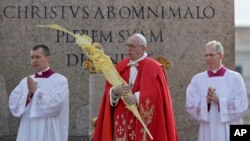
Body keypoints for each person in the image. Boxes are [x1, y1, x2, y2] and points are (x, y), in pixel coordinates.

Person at [93, 34, 178, 141]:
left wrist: (137, 98)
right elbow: (108, 91)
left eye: (132, 46)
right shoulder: (120, 66)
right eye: (128, 46)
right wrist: (114, 92)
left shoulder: (154, 68)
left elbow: (160, 95)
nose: (129, 49)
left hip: (143, 121)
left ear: (143, 48)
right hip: (121, 120)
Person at [186, 40, 248, 141]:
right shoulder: (197, 80)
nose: (208, 58)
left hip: (229, 129)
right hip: (207, 130)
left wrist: (219, 101)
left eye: (211, 55)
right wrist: (207, 102)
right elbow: (190, 105)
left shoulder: (235, 78)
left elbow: (242, 105)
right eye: (206, 55)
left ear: (221, 55)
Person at [9, 45, 69, 141]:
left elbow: (56, 105)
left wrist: (36, 92)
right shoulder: (26, 80)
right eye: (32, 57)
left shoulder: (60, 80)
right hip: (28, 126)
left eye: (37, 57)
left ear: (48, 58)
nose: (34, 60)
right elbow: (14, 103)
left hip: (48, 128)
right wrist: (28, 96)